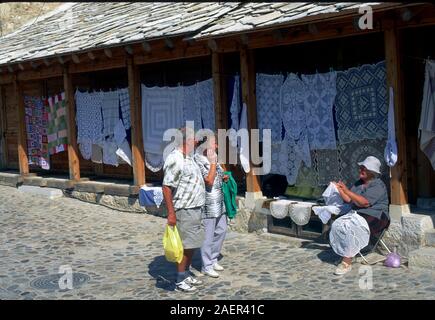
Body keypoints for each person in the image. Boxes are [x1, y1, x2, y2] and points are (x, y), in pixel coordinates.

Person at [162, 127, 206, 293]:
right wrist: (171, 213)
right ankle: (180, 279)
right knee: (185, 246)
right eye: (194, 138)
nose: (196, 141)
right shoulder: (175, 158)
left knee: (191, 244)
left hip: (194, 208)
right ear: (186, 140)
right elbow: (166, 187)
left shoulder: (188, 157)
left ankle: (186, 274)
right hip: (185, 209)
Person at [331, 156, 390, 275]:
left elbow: (365, 202)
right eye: (361, 168)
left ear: (372, 172)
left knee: (353, 227)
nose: (360, 170)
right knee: (339, 224)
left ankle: (346, 261)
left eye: (364, 169)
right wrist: (340, 189)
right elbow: (349, 199)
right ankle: (346, 252)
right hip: (359, 214)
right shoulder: (358, 184)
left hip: (377, 216)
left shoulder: (378, 185)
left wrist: (347, 191)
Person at [194, 133, 229, 278]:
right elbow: (208, 181)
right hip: (207, 203)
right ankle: (206, 265)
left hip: (219, 201)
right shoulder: (198, 160)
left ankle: (213, 259)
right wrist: (213, 163)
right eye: (214, 143)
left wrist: (224, 176)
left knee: (221, 230)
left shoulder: (212, 157)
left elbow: (218, 175)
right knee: (207, 235)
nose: (216, 146)